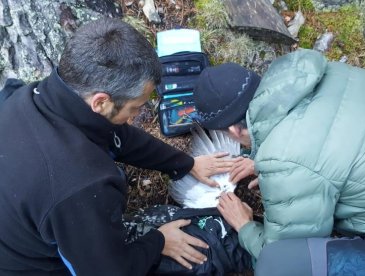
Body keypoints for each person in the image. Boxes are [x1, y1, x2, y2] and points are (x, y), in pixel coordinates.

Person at [0, 17, 234, 275]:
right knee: (204, 250)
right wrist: (159, 241)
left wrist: (185, 164)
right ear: (100, 102)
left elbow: (116, 134)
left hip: (22, 226)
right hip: (37, 267)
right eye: (135, 108)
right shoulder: (80, 184)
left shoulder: (23, 98)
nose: (135, 117)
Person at [193, 49, 365, 275]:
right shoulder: (318, 75)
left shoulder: (286, 159)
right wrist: (261, 159)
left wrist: (244, 226)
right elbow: (331, 141)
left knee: (276, 266)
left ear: (233, 130)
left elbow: (282, 252)